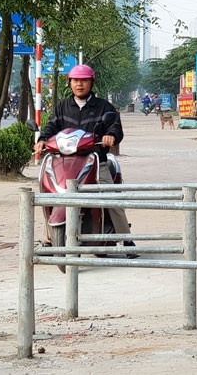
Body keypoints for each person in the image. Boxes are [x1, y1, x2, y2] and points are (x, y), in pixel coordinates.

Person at [33, 64, 137, 257]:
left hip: (95, 160)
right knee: (46, 190)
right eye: (75, 81)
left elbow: (115, 127)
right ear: (70, 83)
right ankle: (49, 237)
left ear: (91, 83)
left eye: (84, 80)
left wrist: (110, 137)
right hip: (64, 161)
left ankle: (126, 238)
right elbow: (50, 127)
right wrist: (41, 140)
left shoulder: (104, 107)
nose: (79, 84)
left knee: (112, 197)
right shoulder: (62, 106)